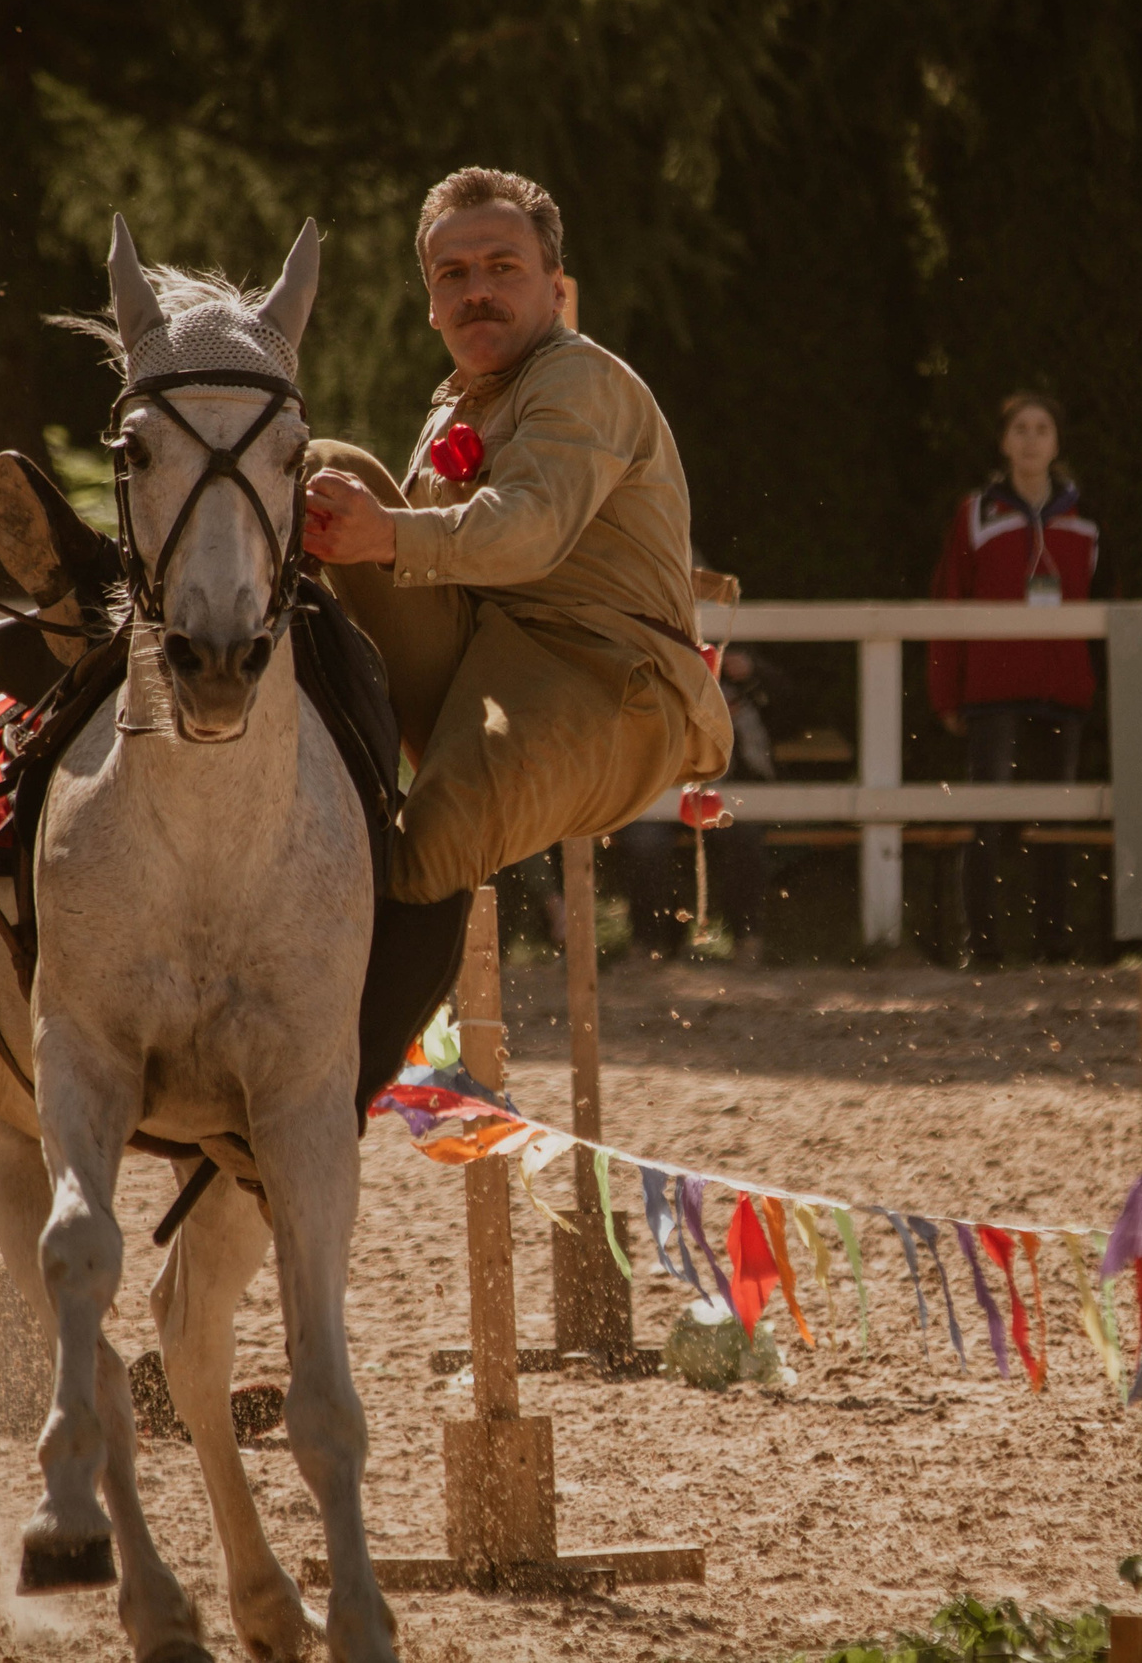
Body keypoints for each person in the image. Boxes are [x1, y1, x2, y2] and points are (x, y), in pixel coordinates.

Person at [291, 167, 732, 1108]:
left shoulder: (580, 378)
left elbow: (528, 529)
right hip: (486, 651)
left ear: (554, 283)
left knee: (436, 838)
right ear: (430, 302)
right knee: (320, 471)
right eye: (452, 273)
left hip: (608, 677)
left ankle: (328, 1090)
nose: (476, 288)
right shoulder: (456, 403)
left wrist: (387, 535)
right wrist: (359, 529)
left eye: (503, 265)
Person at [926, 391, 1102, 966]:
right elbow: (949, 598)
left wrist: (1091, 682)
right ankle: (982, 946)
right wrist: (945, 692)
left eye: (1042, 429)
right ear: (1004, 442)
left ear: (1057, 442)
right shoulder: (975, 513)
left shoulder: (1084, 516)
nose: (1030, 439)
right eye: (1020, 429)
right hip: (991, 688)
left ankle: (1053, 943)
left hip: (1062, 689)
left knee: (1055, 823)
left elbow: (1106, 601)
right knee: (988, 819)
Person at [618, 642, 781, 962]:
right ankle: (649, 943)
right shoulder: (642, 655)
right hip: (657, 789)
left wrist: (754, 672)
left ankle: (748, 940)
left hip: (727, 788)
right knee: (643, 844)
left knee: (741, 836)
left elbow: (792, 707)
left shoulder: (734, 653)